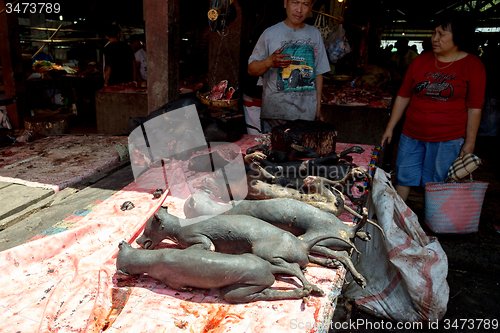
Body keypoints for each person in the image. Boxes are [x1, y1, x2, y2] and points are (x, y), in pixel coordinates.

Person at [380, 13, 486, 202]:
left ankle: (432, 227)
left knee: (438, 185)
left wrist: (470, 143)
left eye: (442, 34)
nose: (435, 39)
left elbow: (475, 108)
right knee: (403, 178)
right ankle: (394, 225)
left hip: (448, 139)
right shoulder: (421, 60)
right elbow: (404, 95)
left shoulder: (472, 65)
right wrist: (390, 127)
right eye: (434, 33)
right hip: (411, 134)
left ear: (458, 37)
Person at [247, 0, 330, 133]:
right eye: (295, 2)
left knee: (302, 153)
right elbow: (251, 69)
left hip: (305, 116)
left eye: (305, 4)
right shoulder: (270, 34)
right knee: (274, 153)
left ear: (311, 7)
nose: (299, 9)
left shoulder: (315, 34)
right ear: (285, 3)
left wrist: (318, 108)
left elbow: (318, 72)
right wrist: (269, 62)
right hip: (274, 116)